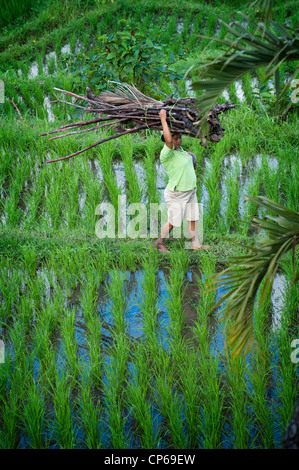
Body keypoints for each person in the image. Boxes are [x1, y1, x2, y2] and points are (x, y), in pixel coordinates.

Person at [154, 108, 212, 253]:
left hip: (191, 190)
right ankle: (159, 243)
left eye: (180, 138)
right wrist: (163, 118)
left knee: (193, 218)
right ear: (169, 140)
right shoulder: (167, 154)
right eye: (175, 138)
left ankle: (196, 245)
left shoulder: (180, 151)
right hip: (177, 193)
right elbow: (168, 140)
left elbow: (189, 158)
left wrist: (193, 158)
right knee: (174, 222)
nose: (178, 141)